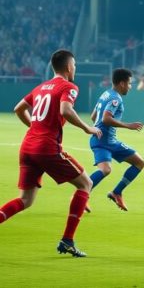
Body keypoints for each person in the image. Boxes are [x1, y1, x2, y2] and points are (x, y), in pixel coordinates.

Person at [0, 49, 102, 257]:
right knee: (86, 184)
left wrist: (34, 127)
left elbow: (18, 108)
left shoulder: (40, 88)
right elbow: (65, 110)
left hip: (27, 147)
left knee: (26, 200)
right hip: (47, 148)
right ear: (68, 67)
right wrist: (87, 128)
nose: (75, 68)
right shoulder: (69, 87)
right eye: (74, 65)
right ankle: (67, 241)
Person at [88, 68, 144, 211]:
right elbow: (106, 119)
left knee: (139, 162)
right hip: (102, 142)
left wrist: (99, 128)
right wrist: (128, 126)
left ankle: (117, 192)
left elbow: (94, 116)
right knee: (106, 170)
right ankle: (81, 194)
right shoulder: (115, 98)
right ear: (122, 83)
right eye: (129, 83)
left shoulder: (105, 93)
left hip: (109, 141)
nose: (130, 87)